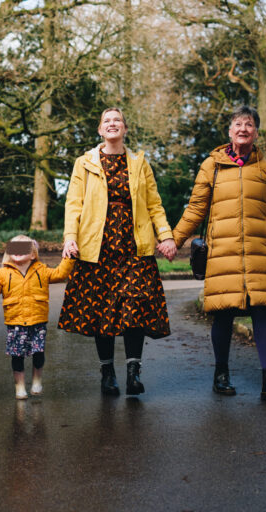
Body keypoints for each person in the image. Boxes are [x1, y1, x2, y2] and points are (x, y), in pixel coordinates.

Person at [172, 105, 266, 400]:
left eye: (249, 124)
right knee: (223, 313)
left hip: (259, 253)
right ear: (230, 132)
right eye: (238, 124)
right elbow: (196, 209)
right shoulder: (211, 166)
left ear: (256, 133)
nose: (243, 129)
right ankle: (221, 375)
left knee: (262, 311)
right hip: (222, 253)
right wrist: (174, 240)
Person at [58, 107, 177, 396]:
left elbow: (154, 204)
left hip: (134, 246)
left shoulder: (140, 162)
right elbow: (74, 204)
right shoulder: (84, 163)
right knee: (102, 311)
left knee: (134, 308)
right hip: (97, 247)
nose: (112, 124)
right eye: (107, 121)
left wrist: (166, 235)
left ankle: (133, 373)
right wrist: (70, 238)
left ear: (124, 128)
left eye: (117, 120)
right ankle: (107, 372)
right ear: (100, 130)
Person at [0, 235, 75, 399]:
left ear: (33, 254)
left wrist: (69, 257)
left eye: (23, 248)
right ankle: (20, 386)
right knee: (17, 356)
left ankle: (37, 380)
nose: (18, 251)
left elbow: (60, 273)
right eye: (15, 248)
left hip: (38, 321)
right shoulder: (3, 273)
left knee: (38, 353)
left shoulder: (42, 270)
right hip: (15, 322)